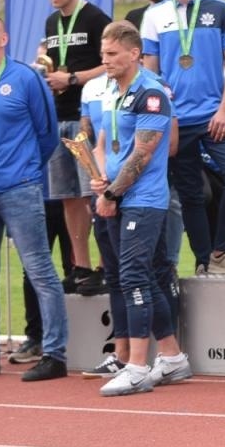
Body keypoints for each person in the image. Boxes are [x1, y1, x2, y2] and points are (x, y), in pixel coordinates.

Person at [0, 14, 68, 381]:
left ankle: (54, 352)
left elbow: (47, 133)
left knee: (39, 270)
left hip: (18, 187)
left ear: (3, 38)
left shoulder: (26, 78)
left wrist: (25, 170)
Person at [87, 21, 192, 396]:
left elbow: (143, 153)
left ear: (134, 53)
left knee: (133, 275)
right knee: (145, 277)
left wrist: (112, 194)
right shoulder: (114, 91)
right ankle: (173, 356)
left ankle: (135, 366)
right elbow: (104, 141)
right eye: (103, 54)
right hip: (118, 193)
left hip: (143, 200)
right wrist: (101, 178)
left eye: (112, 54)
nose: (106, 60)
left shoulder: (151, 93)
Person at [141, 0, 225, 275]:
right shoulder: (155, 16)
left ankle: (221, 249)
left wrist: (224, 110)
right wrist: (167, 116)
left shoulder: (219, 10)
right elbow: (150, 73)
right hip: (178, 121)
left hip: (213, 115)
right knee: (190, 194)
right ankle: (206, 260)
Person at [37, 0, 111, 295]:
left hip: (88, 116)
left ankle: (105, 264)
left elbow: (111, 64)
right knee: (68, 195)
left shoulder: (96, 18)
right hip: (58, 116)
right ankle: (80, 265)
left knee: (92, 192)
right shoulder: (52, 22)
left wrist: (73, 78)